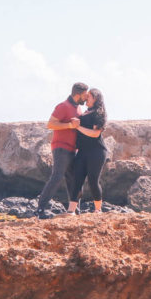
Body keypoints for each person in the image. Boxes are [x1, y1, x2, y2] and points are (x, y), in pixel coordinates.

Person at [35, 82, 89, 219]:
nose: (86, 97)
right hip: (61, 147)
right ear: (78, 94)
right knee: (57, 177)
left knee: (75, 179)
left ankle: (75, 210)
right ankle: (40, 210)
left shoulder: (78, 109)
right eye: (85, 95)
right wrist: (70, 125)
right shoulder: (63, 106)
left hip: (72, 149)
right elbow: (50, 124)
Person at [67, 87, 108, 214]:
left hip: (96, 151)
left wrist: (78, 127)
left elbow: (95, 134)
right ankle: (71, 211)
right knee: (77, 179)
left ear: (95, 98)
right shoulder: (85, 112)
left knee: (92, 180)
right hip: (83, 151)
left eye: (89, 96)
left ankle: (98, 210)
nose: (86, 98)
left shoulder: (98, 113)